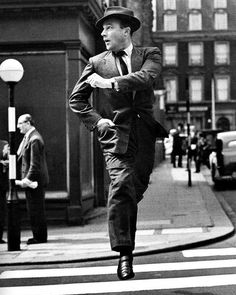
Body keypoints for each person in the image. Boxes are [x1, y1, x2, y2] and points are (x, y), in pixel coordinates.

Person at [69, 6, 167, 280]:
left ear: (126, 30)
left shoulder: (149, 54)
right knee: (121, 185)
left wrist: (110, 84)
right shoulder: (97, 61)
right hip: (114, 136)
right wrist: (98, 121)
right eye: (101, 28)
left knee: (134, 187)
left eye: (108, 27)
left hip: (145, 134)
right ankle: (125, 253)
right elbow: (76, 99)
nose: (103, 32)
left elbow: (146, 78)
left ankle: (121, 213)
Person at [16, 114, 49, 245]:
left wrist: (26, 180)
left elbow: (34, 165)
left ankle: (39, 237)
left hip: (35, 182)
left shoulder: (34, 139)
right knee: (35, 209)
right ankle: (39, 235)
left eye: (20, 123)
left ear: (28, 123)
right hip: (33, 181)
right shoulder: (29, 138)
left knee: (36, 210)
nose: (18, 127)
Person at [0, 140, 9, 243]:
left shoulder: (4, 144)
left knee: (1, 210)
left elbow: (10, 158)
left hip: (1, 184)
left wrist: (8, 161)